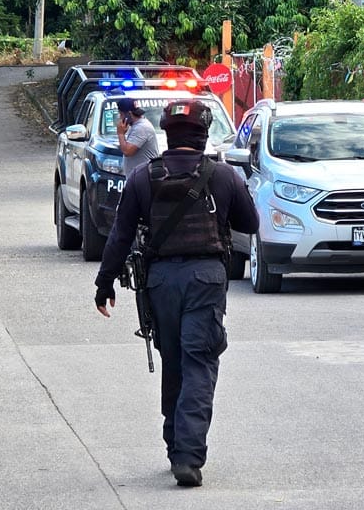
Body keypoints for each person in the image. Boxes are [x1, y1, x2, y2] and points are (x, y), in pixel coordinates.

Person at [93, 99, 259, 487]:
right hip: (206, 278)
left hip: (160, 282)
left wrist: (104, 284)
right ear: (203, 135)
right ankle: (187, 455)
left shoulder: (143, 178)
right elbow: (249, 223)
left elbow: (119, 235)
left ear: (167, 134)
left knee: (176, 361)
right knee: (199, 361)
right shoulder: (223, 175)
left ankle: (175, 445)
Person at [116, 97, 160, 174]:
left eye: (121, 114)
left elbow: (127, 151)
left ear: (129, 114)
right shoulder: (135, 126)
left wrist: (120, 134)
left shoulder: (141, 127)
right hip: (138, 177)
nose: (120, 117)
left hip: (144, 178)